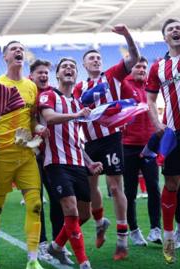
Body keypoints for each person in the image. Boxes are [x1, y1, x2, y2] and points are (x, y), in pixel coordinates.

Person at [73, 24, 140, 260]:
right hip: (89, 142)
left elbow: (134, 57)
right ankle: (101, 222)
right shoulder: (78, 88)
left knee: (114, 186)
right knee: (91, 188)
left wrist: (127, 35)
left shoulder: (111, 76)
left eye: (98, 58)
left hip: (111, 139)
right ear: (84, 64)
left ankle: (122, 240)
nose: (95, 61)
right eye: (91, 58)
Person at [0, 40, 49, 269]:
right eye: (13, 49)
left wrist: (38, 129)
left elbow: (32, 119)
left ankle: (32, 260)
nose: (19, 51)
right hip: (1, 156)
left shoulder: (31, 86)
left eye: (21, 48)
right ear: (5, 57)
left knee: (35, 205)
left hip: (26, 156)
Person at [39, 57, 103, 269]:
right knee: (71, 210)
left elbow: (75, 139)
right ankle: (84, 262)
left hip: (77, 163)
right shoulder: (48, 95)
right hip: (56, 163)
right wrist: (76, 115)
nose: (68, 69)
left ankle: (56, 246)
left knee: (84, 214)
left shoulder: (77, 102)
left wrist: (89, 162)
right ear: (57, 74)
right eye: (64, 66)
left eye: (72, 67)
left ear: (76, 76)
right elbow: (48, 117)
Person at [146, 18, 180, 264]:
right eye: (171, 29)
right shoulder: (158, 66)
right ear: (164, 37)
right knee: (171, 182)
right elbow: (150, 100)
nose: (176, 30)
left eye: (179, 27)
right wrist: (158, 125)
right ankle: (169, 238)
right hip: (174, 133)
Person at [121, 57, 162, 246]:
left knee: (154, 187)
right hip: (128, 145)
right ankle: (134, 230)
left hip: (150, 145)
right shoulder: (123, 84)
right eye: (138, 66)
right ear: (131, 68)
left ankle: (155, 229)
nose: (142, 69)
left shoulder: (152, 85)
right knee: (129, 191)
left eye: (144, 66)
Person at [29, 59, 62, 261]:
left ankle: (57, 244)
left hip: (52, 155)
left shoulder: (54, 94)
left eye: (46, 73)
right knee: (36, 202)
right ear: (31, 75)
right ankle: (40, 244)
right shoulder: (25, 93)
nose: (43, 76)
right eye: (40, 72)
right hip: (31, 156)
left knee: (58, 200)